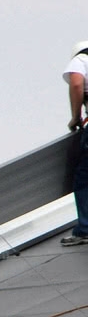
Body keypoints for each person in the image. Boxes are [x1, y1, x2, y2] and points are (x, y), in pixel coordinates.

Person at [61, 40, 88, 247]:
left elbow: (77, 83)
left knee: (84, 179)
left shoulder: (81, 60)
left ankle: (85, 229)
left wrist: (75, 117)